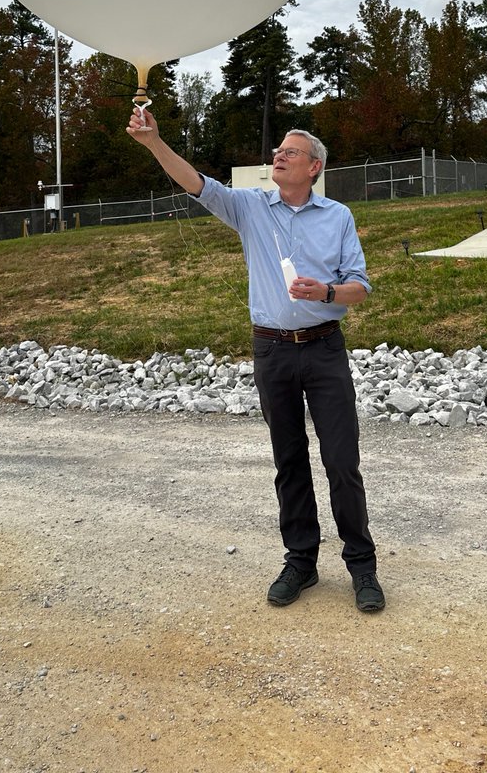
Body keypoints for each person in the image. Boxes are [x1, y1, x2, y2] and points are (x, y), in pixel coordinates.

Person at [127, 109, 384, 613]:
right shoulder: (249, 207)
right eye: (277, 152)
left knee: (341, 461)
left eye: (289, 152)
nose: (277, 157)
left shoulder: (338, 216)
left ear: (314, 166)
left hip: (325, 348)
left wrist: (327, 289)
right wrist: (154, 142)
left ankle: (362, 566)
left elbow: (360, 287)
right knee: (288, 461)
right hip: (271, 350)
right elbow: (195, 182)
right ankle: (301, 562)